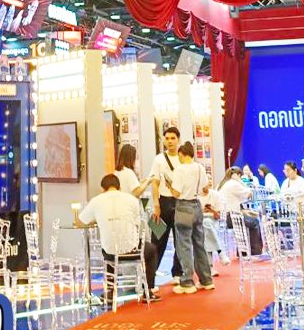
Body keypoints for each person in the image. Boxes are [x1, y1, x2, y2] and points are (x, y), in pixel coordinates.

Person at [75, 174, 159, 302]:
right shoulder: (131, 199)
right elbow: (137, 223)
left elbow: (79, 222)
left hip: (110, 253)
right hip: (132, 251)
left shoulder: (96, 200)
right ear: (119, 187)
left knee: (109, 247)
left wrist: (97, 220)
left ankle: (110, 292)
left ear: (103, 189)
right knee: (152, 250)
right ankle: (149, 291)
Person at [162, 141, 214, 294]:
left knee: (183, 245)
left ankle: (187, 281)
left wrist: (169, 186)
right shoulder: (199, 167)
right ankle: (206, 280)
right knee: (199, 244)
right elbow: (205, 190)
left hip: (183, 207)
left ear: (182, 154)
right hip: (197, 206)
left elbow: (177, 193)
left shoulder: (179, 170)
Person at [149, 127, 183, 283]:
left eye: (172, 138)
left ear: (178, 140)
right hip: (162, 202)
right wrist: (156, 204)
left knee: (180, 240)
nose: (169, 141)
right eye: (167, 138)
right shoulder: (158, 159)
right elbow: (154, 183)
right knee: (156, 241)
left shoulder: (183, 158)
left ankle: (178, 273)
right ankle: (150, 277)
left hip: (180, 202)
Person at [219, 166, 262, 255]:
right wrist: (240, 181)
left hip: (224, 218)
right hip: (232, 218)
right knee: (255, 222)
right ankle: (255, 252)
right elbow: (250, 194)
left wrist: (246, 212)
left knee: (248, 220)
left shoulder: (223, 184)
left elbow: (233, 204)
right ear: (238, 175)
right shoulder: (234, 184)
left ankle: (243, 252)